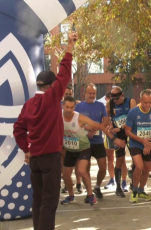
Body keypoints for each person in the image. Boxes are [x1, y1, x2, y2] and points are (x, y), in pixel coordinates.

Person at [13, 32, 77, 230]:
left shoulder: (29, 105)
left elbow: (18, 129)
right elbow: (64, 73)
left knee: (38, 201)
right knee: (49, 203)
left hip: (35, 159)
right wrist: (69, 47)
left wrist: (26, 150)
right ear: (51, 87)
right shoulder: (51, 99)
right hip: (50, 158)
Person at [60, 96, 126, 205]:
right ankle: (71, 196)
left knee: (81, 170)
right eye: (67, 107)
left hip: (83, 148)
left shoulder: (79, 117)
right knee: (66, 175)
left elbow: (100, 126)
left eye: (72, 107)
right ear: (63, 106)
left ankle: (90, 195)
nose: (69, 110)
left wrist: (115, 139)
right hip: (70, 150)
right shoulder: (58, 117)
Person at [125, 89, 151, 203]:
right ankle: (134, 191)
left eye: (150, 102)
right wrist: (142, 141)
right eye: (145, 102)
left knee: (147, 169)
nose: (148, 105)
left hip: (148, 145)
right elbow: (128, 131)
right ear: (140, 100)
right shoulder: (133, 112)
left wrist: (150, 142)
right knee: (139, 167)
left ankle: (141, 191)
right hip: (135, 143)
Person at [75, 83, 109, 201]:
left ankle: (97, 187)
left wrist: (95, 128)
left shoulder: (100, 106)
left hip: (98, 141)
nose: (92, 95)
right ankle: (89, 192)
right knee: (86, 169)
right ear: (84, 94)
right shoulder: (78, 106)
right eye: (89, 93)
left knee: (103, 167)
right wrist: (85, 127)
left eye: (93, 93)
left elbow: (106, 121)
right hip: (84, 142)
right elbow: (74, 122)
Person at [104, 87, 136, 197]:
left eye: (117, 99)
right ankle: (118, 187)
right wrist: (110, 126)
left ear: (122, 95)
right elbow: (107, 119)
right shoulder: (110, 103)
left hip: (130, 132)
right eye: (113, 99)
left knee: (136, 158)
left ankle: (133, 183)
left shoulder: (130, 101)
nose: (115, 101)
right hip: (118, 134)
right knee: (119, 159)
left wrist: (121, 127)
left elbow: (133, 119)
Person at [61, 85, 82, 194]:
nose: (68, 95)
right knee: (63, 163)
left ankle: (79, 184)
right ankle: (67, 184)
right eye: (66, 94)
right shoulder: (58, 105)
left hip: (75, 138)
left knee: (77, 163)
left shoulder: (78, 104)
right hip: (63, 140)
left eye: (70, 94)